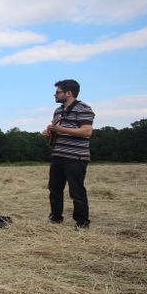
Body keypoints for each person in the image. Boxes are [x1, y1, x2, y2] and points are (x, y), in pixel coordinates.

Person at [42, 79, 95, 229]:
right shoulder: (58, 111)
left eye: (57, 92)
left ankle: (82, 222)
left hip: (76, 157)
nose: (54, 95)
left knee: (76, 191)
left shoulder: (83, 108)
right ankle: (56, 217)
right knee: (54, 189)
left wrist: (60, 130)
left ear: (69, 93)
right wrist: (50, 132)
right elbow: (58, 130)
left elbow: (86, 131)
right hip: (58, 155)